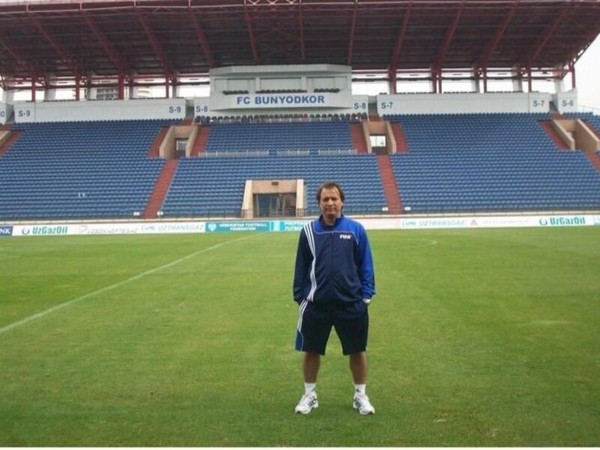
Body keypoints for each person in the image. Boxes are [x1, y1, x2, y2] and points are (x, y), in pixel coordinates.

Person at [292, 181, 376, 415]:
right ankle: (310, 395)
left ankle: (360, 395)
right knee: (311, 350)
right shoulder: (308, 231)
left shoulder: (355, 229)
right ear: (319, 203)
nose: (330, 203)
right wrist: (300, 297)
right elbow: (301, 267)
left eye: (334, 199)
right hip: (316, 305)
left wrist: (366, 296)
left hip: (351, 304)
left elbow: (365, 264)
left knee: (357, 350)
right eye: (325, 199)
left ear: (342, 202)